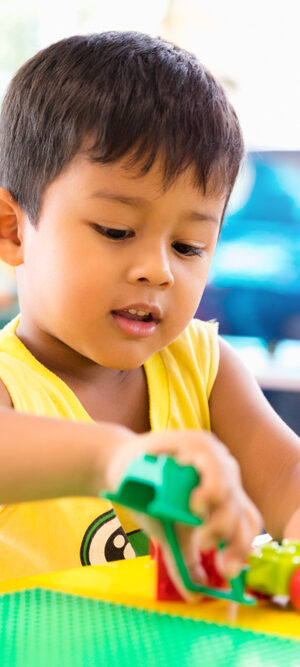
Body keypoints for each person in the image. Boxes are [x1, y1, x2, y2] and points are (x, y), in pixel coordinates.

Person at [0, 31, 298, 597]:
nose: (158, 270)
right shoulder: (11, 384)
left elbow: (286, 476)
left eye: (188, 246)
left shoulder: (204, 368)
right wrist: (114, 459)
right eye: (116, 231)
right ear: (14, 230)